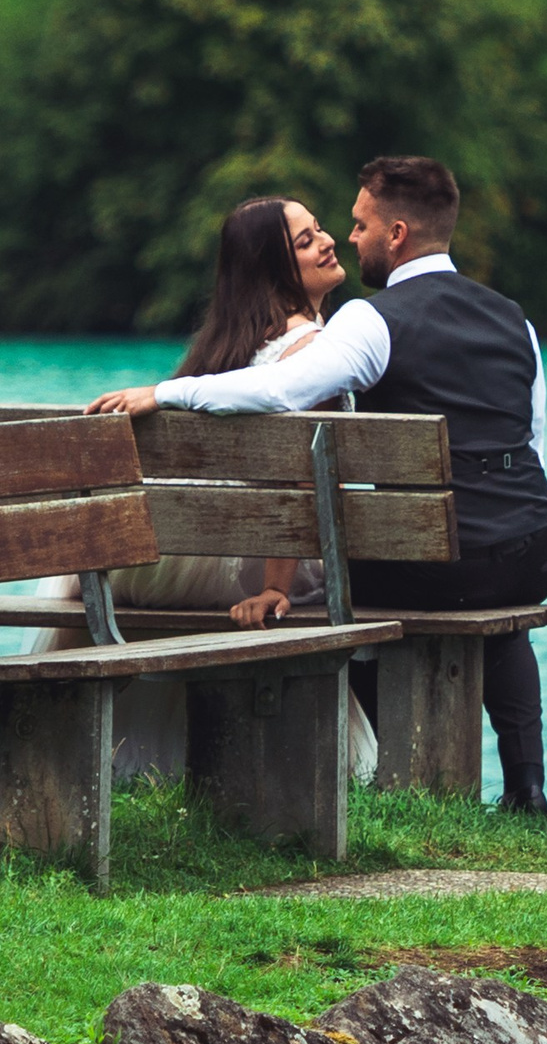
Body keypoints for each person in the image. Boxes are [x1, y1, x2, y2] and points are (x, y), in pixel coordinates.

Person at [91, 152, 547, 815]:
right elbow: (533, 439)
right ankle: (527, 788)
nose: (352, 237)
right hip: (532, 553)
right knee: (497, 609)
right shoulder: (518, 319)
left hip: (432, 565)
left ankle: (383, 774)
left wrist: (168, 391)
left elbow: (285, 388)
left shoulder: (372, 320)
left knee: (359, 578)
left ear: (396, 234)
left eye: (361, 223)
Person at [43, 195, 372, 781]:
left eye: (320, 230)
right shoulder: (312, 351)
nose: (327, 242)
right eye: (304, 241)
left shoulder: (221, 350)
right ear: (274, 269)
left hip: (168, 558)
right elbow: (299, 483)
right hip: (250, 563)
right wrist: (277, 587)